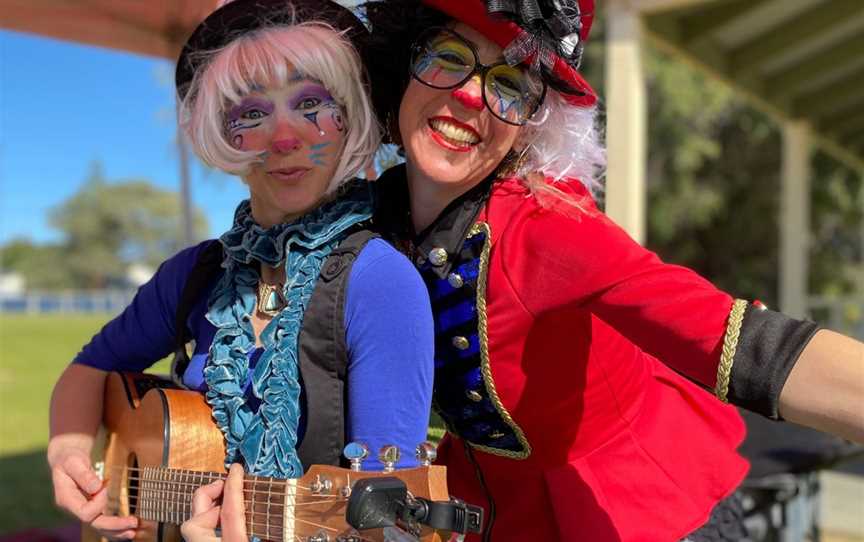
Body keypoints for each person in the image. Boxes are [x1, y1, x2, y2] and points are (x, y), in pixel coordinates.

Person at [354, 0, 864, 540]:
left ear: (530, 126)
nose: (469, 95)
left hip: (641, 513)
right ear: (403, 64)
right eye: (448, 57)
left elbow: (729, 336)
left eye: (509, 84)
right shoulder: (365, 223)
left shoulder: (548, 225)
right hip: (498, 516)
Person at [46, 1, 435, 539]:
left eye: (312, 104)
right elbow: (89, 368)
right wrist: (69, 453)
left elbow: (393, 526)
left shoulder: (379, 284)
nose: (283, 138)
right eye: (249, 114)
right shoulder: (195, 274)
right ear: (221, 134)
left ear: (353, 119)